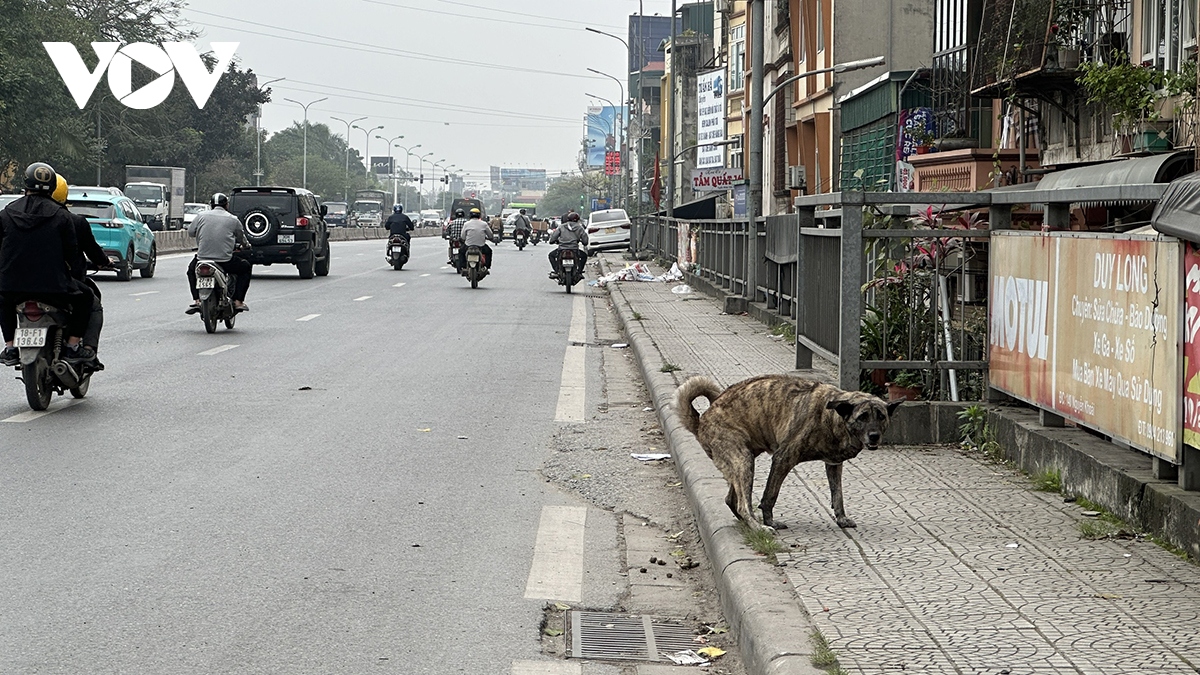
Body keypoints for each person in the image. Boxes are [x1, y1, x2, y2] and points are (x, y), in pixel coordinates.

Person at [0, 162, 94, 366]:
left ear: (25, 185)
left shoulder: (7, 213)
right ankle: (72, 346)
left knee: (3, 300)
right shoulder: (62, 216)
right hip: (54, 288)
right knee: (87, 297)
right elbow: (72, 254)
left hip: (13, 287)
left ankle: (9, 347)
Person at [52, 175, 111, 360]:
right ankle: (80, 346)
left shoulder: (16, 216)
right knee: (91, 302)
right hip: (64, 283)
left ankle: (11, 346)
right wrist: (104, 262)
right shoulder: (72, 221)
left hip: (20, 282)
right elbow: (91, 251)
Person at [185, 193, 251, 314]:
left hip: (202, 259)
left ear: (211, 205)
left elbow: (190, 232)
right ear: (226, 205)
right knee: (245, 268)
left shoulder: (201, 216)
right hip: (224, 260)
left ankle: (197, 300)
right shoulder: (233, 219)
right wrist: (246, 246)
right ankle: (238, 301)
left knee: (191, 271)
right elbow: (241, 238)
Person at [548, 211, 589, 279]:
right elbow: (585, 241)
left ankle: (556, 271)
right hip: (574, 249)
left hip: (561, 249)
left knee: (551, 255)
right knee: (584, 256)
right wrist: (583, 242)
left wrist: (553, 241)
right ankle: (579, 272)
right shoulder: (579, 228)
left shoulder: (561, 227)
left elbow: (553, 238)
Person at [458, 208, 494, 272]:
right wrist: (490, 238)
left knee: (461, 251)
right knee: (489, 251)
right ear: (479, 215)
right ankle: (486, 267)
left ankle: (463, 267)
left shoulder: (466, 224)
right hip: (481, 246)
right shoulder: (484, 224)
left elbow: (462, 237)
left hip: (468, 245)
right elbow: (490, 235)